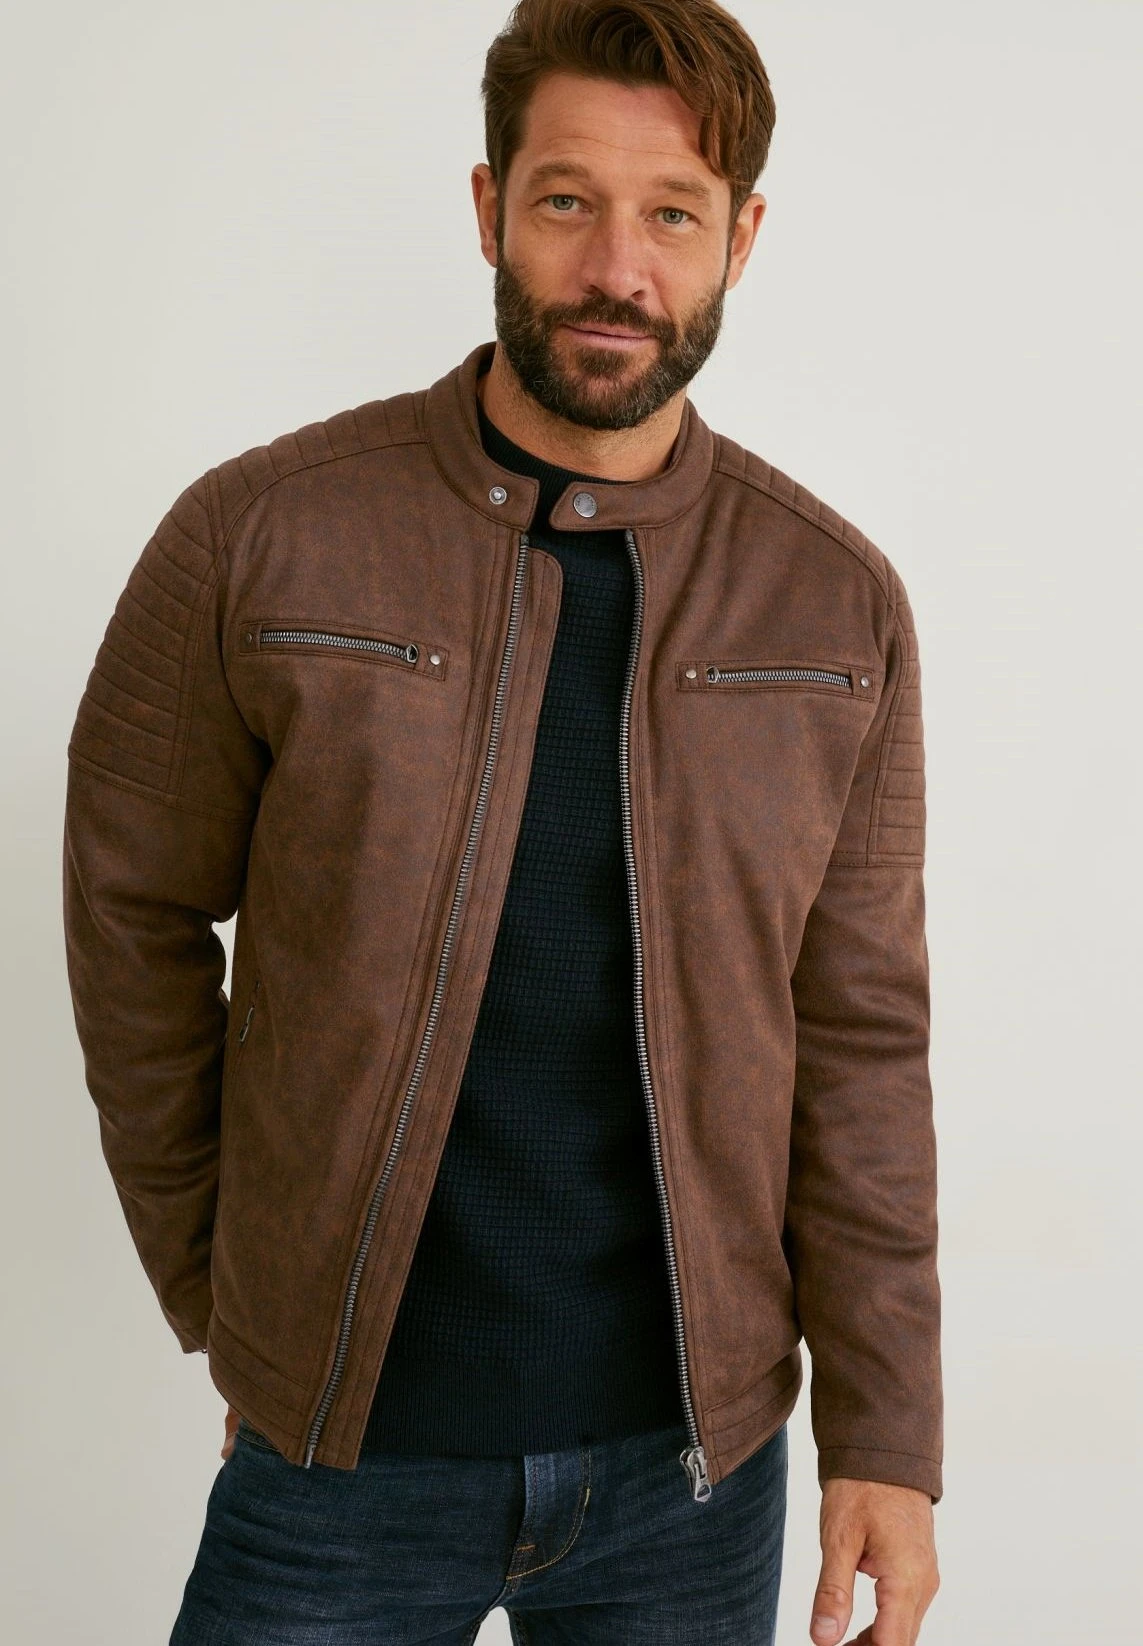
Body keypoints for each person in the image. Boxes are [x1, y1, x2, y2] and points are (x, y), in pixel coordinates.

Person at [61, 1, 943, 1642]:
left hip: (693, 1475)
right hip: (339, 1456)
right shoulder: (259, 538)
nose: (617, 267)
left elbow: (861, 1033)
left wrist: (884, 1430)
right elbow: (132, 912)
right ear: (488, 208)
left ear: (740, 239)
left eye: (670, 213)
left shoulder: (832, 603)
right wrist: (233, 1289)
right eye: (565, 202)